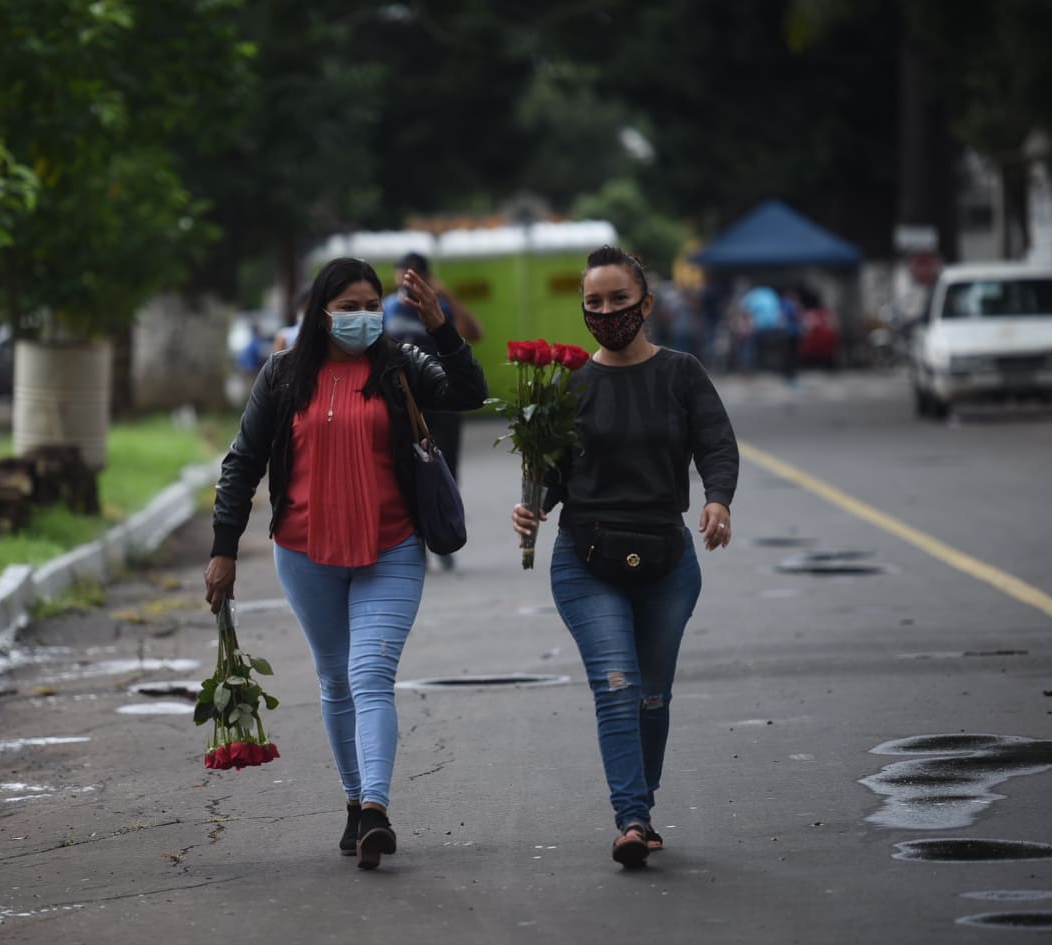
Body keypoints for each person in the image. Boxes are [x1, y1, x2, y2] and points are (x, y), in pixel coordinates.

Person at [205, 256, 487, 870]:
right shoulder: (283, 376)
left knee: (370, 676)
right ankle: (356, 803)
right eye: (348, 305)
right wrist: (224, 549)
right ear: (320, 310)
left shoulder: (400, 367)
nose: (361, 317)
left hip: (392, 546)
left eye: (371, 305)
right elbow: (242, 462)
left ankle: (379, 810)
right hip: (305, 553)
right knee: (335, 680)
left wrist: (440, 325)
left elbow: (470, 393)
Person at [511, 245, 739, 869]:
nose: (607, 312)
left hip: (668, 561)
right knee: (618, 686)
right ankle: (632, 820)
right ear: (583, 308)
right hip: (585, 561)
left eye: (619, 300)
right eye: (594, 303)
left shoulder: (682, 373)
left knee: (652, 696)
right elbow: (553, 473)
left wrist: (718, 500)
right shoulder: (570, 385)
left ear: (646, 304)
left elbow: (716, 444)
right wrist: (533, 507)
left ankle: (643, 801)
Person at [381, 251, 484, 570]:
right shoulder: (384, 308)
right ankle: (416, 540)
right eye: (403, 273)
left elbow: (475, 333)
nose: (408, 280)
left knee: (442, 468)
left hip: (441, 397)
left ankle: (442, 535)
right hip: (401, 402)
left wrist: (447, 298)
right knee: (406, 469)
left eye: (415, 275)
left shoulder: (439, 307)